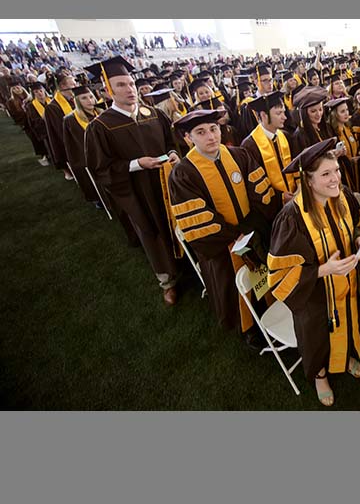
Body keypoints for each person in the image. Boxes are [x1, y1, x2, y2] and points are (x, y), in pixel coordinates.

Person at [268, 138, 360, 406]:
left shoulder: (343, 196)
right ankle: (320, 374)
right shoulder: (291, 218)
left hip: (347, 282)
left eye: (336, 170)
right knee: (316, 334)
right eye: (326, 174)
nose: (335, 178)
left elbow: (359, 223)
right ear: (309, 181)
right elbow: (279, 274)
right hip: (313, 296)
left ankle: (345, 354)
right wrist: (323, 270)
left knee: (349, 317)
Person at [168, 109, 277, 350]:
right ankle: (247, 328)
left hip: (252, 231)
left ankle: (271, 311)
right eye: (201, 132)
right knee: (233, 284)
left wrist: (253, 227)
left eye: (214, 129)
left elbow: (259, 192)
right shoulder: (183, 174)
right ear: (188, 138)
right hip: (222, 243)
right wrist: (234, 235)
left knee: (261, 272)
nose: (210, 136)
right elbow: (198, 218)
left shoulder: (238, 154)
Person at [84, 56, 180, 305]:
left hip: (166, 181)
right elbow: (100, 168)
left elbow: (172, 142)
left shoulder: (154, 113)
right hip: (136, 190)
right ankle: (167, 281)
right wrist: (137, 164)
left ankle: (186, 261)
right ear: (107, 90)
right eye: (121, 85)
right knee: (151, 231)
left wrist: (172, 153)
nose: (130, 89)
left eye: (131, 83)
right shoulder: (101, 126)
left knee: (177, 220)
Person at [241, 91, 297, 210]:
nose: (285, 117)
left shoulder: (285, 136)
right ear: (264, 115)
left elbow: (296, 165)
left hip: (296, 198)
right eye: (278, 113)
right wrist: (280, 197)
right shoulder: (250, 145)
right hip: (272, 208)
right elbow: (255, 185)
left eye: (283, 112)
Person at [63, 85, 103, 208]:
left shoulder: (103, 112)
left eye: (91, 96)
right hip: (88, 156)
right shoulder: (70, 120)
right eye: (84, 98)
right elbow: (71, 145)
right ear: (77, 101)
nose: (90, 100)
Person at [325, 97, 360, 192]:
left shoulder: (348, 128)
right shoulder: (332, 134)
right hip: (345, 172)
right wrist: (349, 160)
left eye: (346, 110)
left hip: (357, 169)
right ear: (335, 115)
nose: (347, 113)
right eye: (342, 111)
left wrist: (359, 151)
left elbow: (354, 144)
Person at [44, 72, 78, 180]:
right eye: (72, 84)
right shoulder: (52, 107)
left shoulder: (75, 99)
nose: (76, 86)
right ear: (63, 86)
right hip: (69, 142)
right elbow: (60, 131)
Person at [292, 86, 330, 154]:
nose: (318, 114)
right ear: (305, 113)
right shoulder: (299, 136)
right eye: (313, 111)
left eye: (320, 109)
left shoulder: (325, 127)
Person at [24, 81, 51, 166]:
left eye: (40, 90)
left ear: (44, 90)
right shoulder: (31, 106)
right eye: (36, 92)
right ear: (33, 94)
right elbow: (33, 122)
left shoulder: (51, 100)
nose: (39, 93)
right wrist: (43, 118)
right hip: (43, 130)